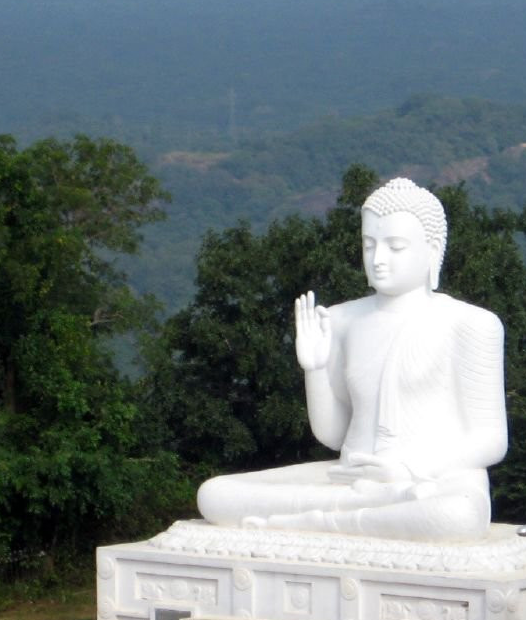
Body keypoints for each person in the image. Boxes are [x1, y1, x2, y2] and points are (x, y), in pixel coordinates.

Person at [196, 177, 507, 541]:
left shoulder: (471, 324)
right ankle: (356, 514)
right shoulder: (342, 320)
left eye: (395, 246)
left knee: (456, 516)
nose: (378, 259)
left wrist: (407, 469)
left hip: (433, 482)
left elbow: (490, 439)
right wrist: (314, 369)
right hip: (352, 478)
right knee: (215, 495)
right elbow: (333, 435)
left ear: (432, 249)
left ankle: (313, 522)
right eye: (369, 245)